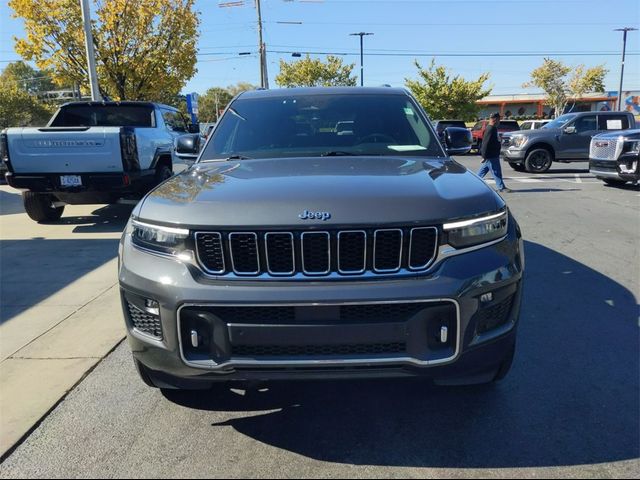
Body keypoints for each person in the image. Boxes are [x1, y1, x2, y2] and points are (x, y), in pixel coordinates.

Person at [478, 112, 511, 193]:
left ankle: (472, 184)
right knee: (496, 171)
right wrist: (484, 156)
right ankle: (501, 187)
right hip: (491, 155)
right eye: (499, 119)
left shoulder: (493, 128)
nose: (500, 121)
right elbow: (485, 143)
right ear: (495, 119)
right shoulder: (490, 129)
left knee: (481, 173)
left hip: (492, 154)